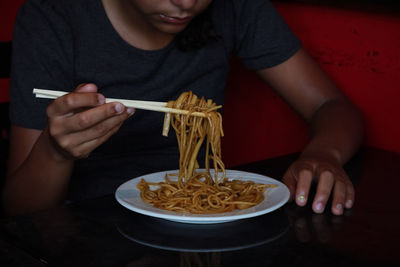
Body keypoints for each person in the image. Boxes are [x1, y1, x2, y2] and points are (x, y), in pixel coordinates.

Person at [3, 0, 364, 216]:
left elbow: (330, 105)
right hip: (81, 225)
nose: (187, 4)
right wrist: (55, 152)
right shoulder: (53, 17)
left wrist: (324, 153)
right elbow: (20, 209)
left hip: (200, 216)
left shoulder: (233, 7)